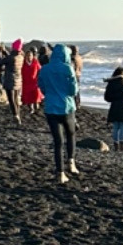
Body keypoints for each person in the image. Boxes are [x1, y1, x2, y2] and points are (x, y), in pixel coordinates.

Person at [39, 41, 80, 184]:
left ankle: (60, 173)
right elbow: (73, 91)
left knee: (57, 142)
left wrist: (51, 93)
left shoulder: (44, 69)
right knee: (71, 135)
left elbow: (42, 87)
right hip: (67, 107)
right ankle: (71, 162)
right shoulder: (68, 69)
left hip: (51, 107)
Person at [103, 63, 123, 150]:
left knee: (116, 127)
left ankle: (116, 145)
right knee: (122, 128)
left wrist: (114, 99)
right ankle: (122, 145)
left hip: (114, 107)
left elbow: (107, 97)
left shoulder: (110, 84)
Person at [0, 39, 22, 121]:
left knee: (11, 99)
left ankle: (15, 115)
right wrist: (5, 52)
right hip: (18, 80)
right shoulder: (20, 57)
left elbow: (1, 62)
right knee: (16, 99)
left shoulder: (11, 58)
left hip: (10, 80)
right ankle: (18, 114)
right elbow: (10, 58)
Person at [20, 45, 42, 118]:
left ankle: (36, 108)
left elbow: (40, 70)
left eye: (30, 55)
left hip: (34, 82)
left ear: (33, 56)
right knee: (28, 98)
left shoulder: (35, 62)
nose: (29, 57)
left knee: (36, 96)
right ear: (25, 56)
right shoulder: (23, 63)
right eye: (28, 55)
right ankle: (31, 109)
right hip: (26, 82)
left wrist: (39, 78)